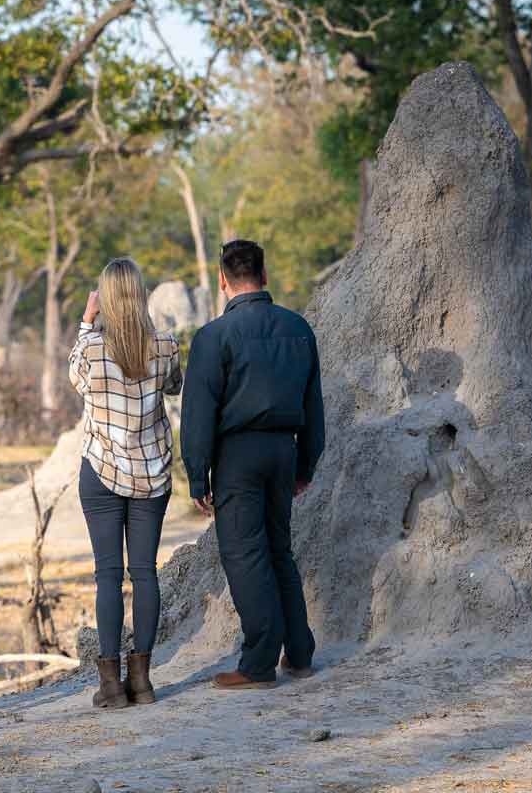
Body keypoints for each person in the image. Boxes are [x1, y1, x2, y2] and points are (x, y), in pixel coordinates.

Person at [179, 239, 325, 690]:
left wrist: (197, 473)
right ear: (264, 276)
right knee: (279, 549)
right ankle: (299, 653)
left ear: (223, 281)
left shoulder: (214, 337)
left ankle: (259, 663)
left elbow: (198, 413)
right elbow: (313, 407)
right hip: (284, 450)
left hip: (237, 457)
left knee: (245, 554)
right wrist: (305, 465)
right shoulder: (298, 329)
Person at [69, 258, 185, 709]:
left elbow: (75, 376)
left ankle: (111, 685)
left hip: (101, 471)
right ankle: (143, 680)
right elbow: (173, 387)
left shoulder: (93, 350)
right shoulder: (166, 346)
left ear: (106, 298)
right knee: (144, 573)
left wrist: (86, 319)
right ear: (141, 294)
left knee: (108, 577)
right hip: (152, 473)